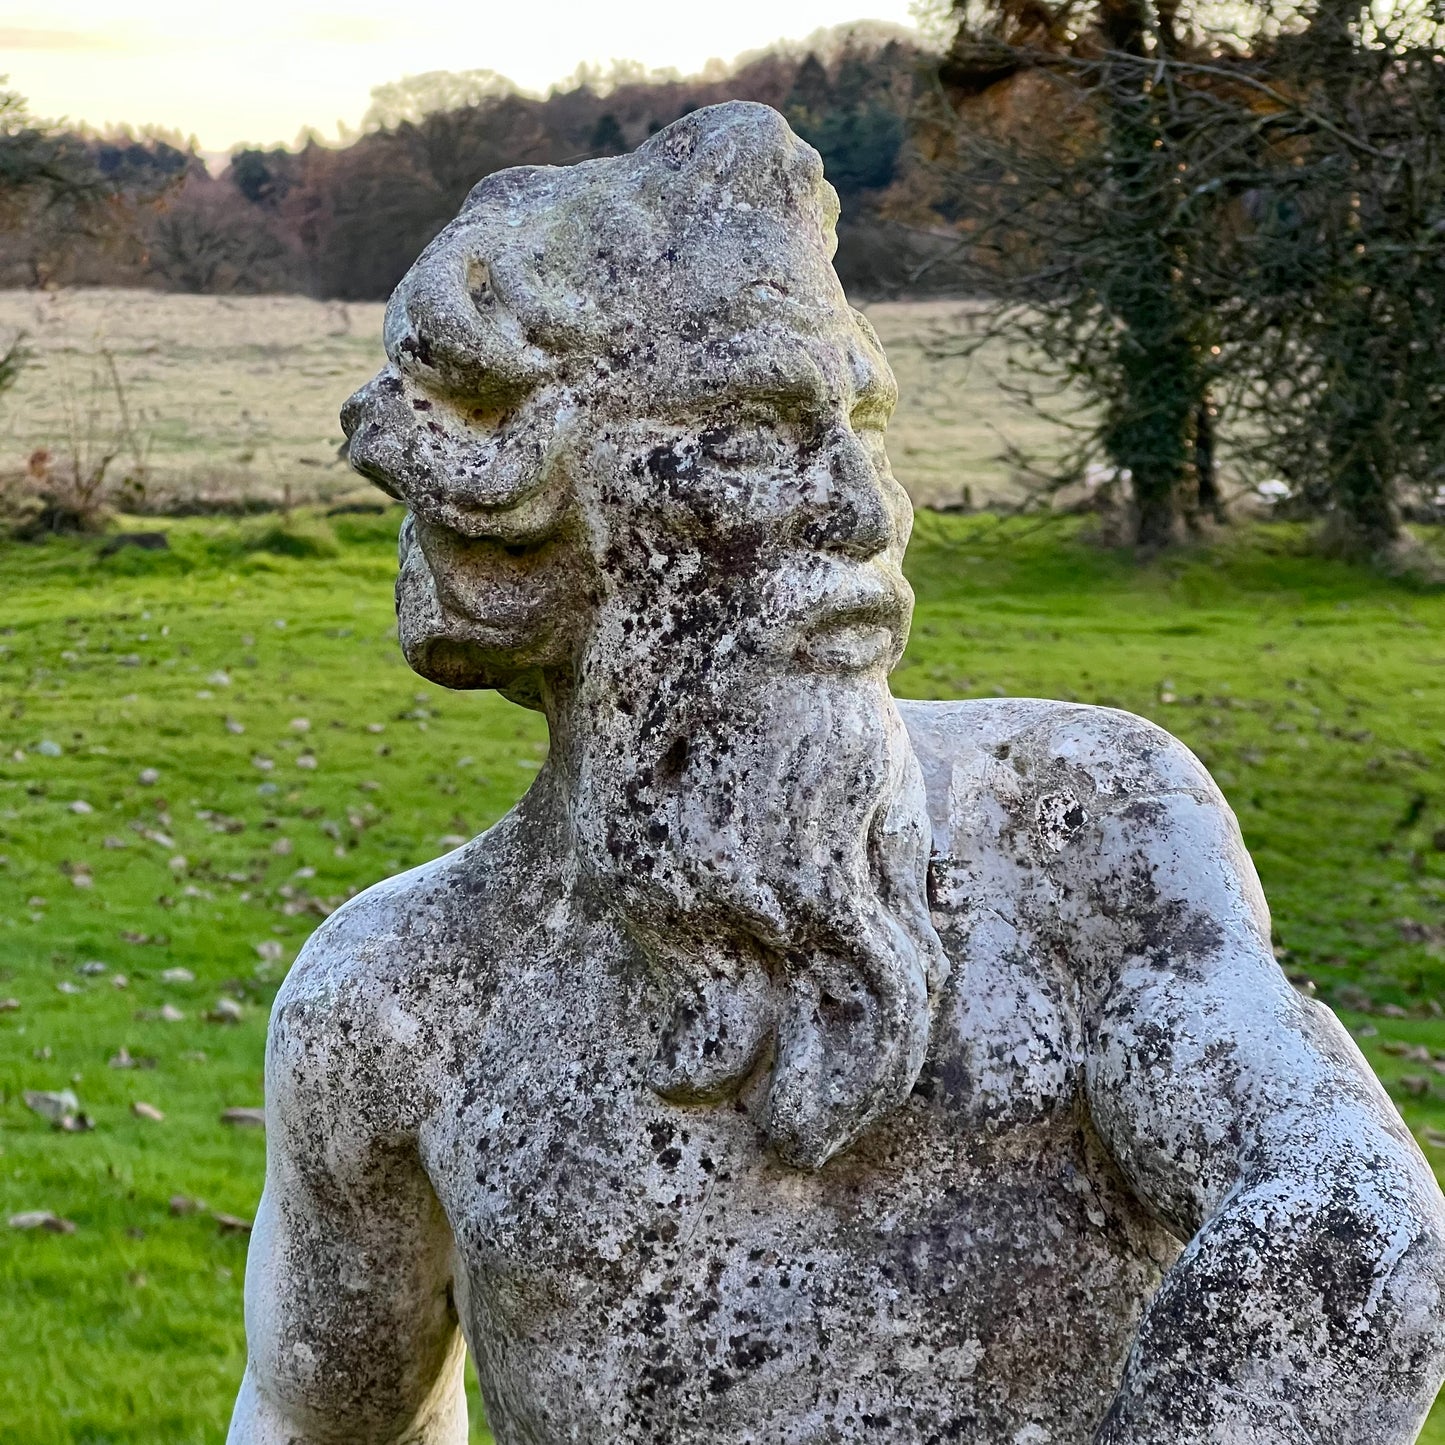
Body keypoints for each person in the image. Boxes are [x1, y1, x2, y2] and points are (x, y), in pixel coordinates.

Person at [228, 103, 1445, 1445]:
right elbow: (317, 1423)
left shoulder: (1082, 827)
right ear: (534, 520)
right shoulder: (397, 1007)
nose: (866, 511)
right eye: (752, 437)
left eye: (859, 421)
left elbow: (1347, 1214)